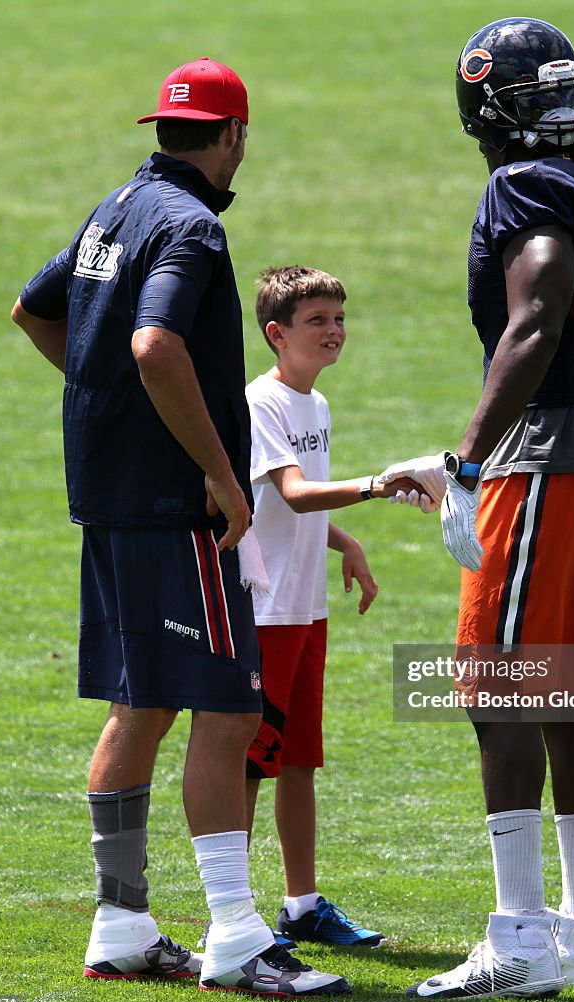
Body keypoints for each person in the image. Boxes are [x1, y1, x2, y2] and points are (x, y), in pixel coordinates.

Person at [11, 58, 348, 998]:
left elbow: (34, 312)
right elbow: (153, 344)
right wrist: (210, 466)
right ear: (234, 134)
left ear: (163, 129)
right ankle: (238, 937)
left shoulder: (115, 208)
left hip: (109, 496)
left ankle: (120, 924)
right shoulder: (193, 228)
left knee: (142, 707)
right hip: (176, 508)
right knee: (231, 710)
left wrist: (109, 410)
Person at [380, 18, 574, 1000]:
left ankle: (521, 940)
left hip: (552, 452)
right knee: (565, 697)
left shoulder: (525, 185)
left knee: (498, 688)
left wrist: (468, 461)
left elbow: (538, 313)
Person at [198, 265, 417, 952]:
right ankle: (234, 911)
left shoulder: (314, 407)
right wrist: (378, 486)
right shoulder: (261, 403)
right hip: (265, 613)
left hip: (306, 609)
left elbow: (295, 507)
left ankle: (301, 903)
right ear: (275, 333)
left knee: (298, 760)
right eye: (316, 320)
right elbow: (292, 493)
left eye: (338, 319)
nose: (333, 332)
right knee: (252, 763)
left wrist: (345, 542)